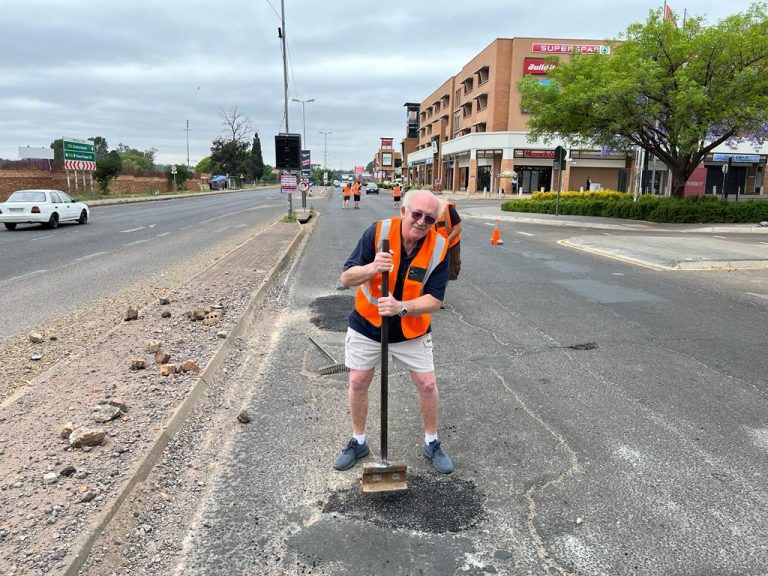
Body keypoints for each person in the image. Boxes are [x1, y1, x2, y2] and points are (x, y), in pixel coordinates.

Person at [334, 189, 454, 475]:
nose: (421, 222)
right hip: (368, 324)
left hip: (411, 329)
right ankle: (358, 440)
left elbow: (435, 300)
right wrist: (374, 267)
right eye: (416, 214)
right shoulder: (377, 233)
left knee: (427, 383)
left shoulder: (439, 246)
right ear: (403, 211)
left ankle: (431, 442)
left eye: (429, 218)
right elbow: (346, 277)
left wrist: (401, 307)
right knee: (359, 380)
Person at [434, 200, 462, 281]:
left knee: (450, 271)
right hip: (435, 245)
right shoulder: (424, 210)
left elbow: (458, 228)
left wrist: (445, 242)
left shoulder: (447, 209)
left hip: (451, 244)